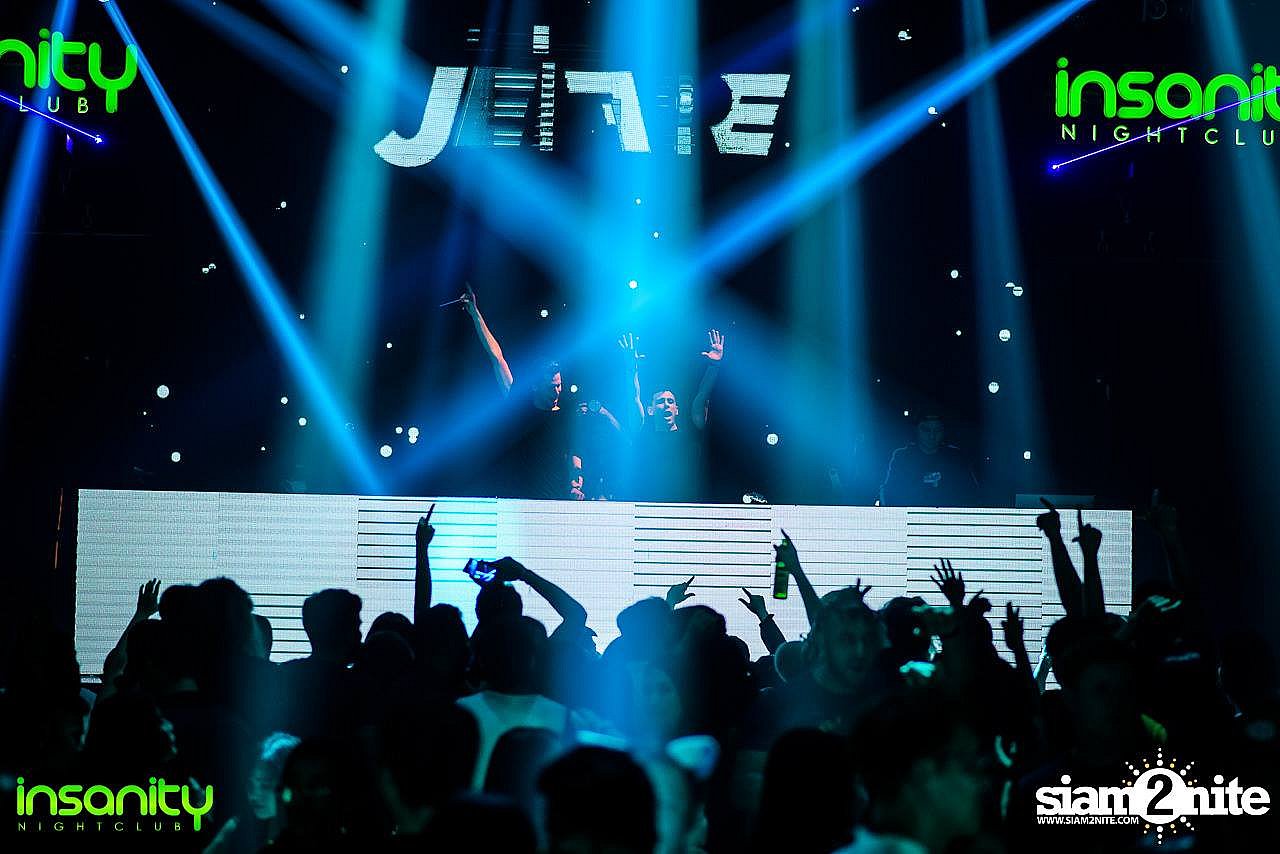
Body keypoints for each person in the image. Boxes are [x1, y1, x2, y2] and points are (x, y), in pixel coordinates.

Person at [461, 284, 618, 499]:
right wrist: (475, 313)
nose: (558, 390)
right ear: (536, 385)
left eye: (560, 385)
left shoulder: (566, 415)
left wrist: (576, 483)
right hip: (522, 495)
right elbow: (497, 357)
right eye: (552, 387)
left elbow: (573, 452)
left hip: (556, 497)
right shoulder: (523, 411)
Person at [618, 329, 725, 502]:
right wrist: (631, 369)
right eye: (661, 401)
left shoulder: (690, 433)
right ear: (651, 410)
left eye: (670, 401)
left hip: (686, 504)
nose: (666, 404)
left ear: (677, 409)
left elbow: (703, 395)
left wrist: (714, 365)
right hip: (650, 504)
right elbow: (634, 396)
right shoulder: (642, 432)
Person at [878, 414, 979, 507]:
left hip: (949, 517)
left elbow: (971, 492)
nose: (932, 436)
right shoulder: (902, 456)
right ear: (916, 430)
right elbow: (889, 491)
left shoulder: (956, 456)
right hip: (913, 517)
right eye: (926, 430)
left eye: (937, 430)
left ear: (943, 431)